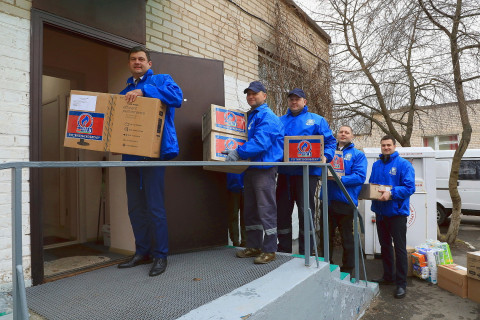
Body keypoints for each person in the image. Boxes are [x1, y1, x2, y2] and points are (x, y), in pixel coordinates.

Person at [117, 46, 183, 277]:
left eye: (141, 59)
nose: (137, 62)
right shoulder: (125, 90)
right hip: (131, 155)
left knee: (155, 207)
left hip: (154, 153)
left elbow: (176, 98)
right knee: (135, 206)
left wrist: (145, 91)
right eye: (133, 59)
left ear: (149, 63)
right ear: (129, 64)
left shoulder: (162, 80)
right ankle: (141, 252)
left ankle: (160, 256)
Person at [223, 81, 284, 264]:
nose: (251, 96)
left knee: (266, 209)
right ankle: (254, 245)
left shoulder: (268, 117)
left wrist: (238, 152)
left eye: (255, 93)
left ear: (264, 96)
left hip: (264, 169)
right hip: (250, 169)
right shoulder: (250, 116)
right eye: (248, 94)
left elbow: (260, 142)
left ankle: (270, 249)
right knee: (250, 210)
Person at [276, 88, 336, 255]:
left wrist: (326, 156)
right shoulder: (280, 121)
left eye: (297, 99)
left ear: (304, 102)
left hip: (308, 174)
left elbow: (330, 142)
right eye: (291, 99)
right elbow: (274, 143)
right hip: (285, 175)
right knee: (282, 212)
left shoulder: (317, 120)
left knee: (306, 212)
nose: (294, 102)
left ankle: (306, 252)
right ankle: (284, 250)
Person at [369, 135, 415, 299]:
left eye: (389, 145)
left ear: (395, 146)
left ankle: (401, 284)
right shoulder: (376, 165)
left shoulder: (403, 165)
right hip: (380, 213)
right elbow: (373, 185)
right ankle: (388, 277)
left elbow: (410, 188)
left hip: (397, 214)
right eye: (383, 145)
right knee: (385, 247)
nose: (386, 147)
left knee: (400, 249)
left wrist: (392, 192)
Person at [327, 125, 367, 276]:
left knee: (347, 238)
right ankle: (326, 264)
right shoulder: (329, 152)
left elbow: (360, 177)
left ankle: (348, 269)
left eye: (347, 132)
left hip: (345, 201)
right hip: (328, 200)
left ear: (352, 136)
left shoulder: (358, 155)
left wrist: (340, 179)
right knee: (325, 236)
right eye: (341, 132)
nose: (343, 134)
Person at [226, 173, 246, 247]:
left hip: (246, 186)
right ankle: (235, 241)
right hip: (232, 186)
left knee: (245, 215)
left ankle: (245, 241)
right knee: (233, 215)